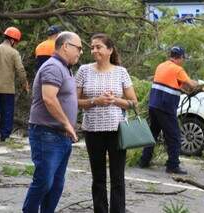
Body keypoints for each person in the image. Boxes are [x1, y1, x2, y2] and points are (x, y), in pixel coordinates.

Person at [76, 33, 137, 213]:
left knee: (118, 177)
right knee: (98, 177)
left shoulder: (121, 72)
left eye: (98, 47)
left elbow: (134, 102)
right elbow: (72, 100)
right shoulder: (84, 70)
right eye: (92, 47)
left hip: (117, 130)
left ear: (109, 50)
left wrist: (115, 101)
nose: (94, 50)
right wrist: (95, 101)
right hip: (92, 130)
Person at [22, 31, 83, 212]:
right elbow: (49, 98)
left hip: (61, 135)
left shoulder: (65, 68)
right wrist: (66, 124)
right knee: (44, 181)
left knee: (56, 184)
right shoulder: (53, 67)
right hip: (47, 133)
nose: (80, 52)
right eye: (78, 48)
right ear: (66, 46)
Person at [138, 46, 200, 175]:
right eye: (183, 58)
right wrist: (200, 84)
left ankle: (144, 161)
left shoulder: (161, 66)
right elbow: (191, 84)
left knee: (153, 133)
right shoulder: (178, 69)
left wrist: (183, 88)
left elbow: (174, 84)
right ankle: (173, 165)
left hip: (154, 105)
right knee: (174, 136)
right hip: (165, 107)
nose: (183, 61)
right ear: (180, 57)